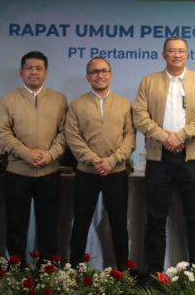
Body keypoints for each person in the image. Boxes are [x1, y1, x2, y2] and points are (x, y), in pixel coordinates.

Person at [133, 37, 195, 274]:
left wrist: (181, 136)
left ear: (187, 55)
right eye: (172, 51)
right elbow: (140, 116)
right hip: (158, 158)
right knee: (155, 217)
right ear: (164, 55)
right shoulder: (149, 81)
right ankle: (154, 271)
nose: (177, 55)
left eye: (181, 51)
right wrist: (164, 137)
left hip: (190, 157)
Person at [0, 51, 68, 261]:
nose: (34, 72)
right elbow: (0, 133)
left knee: (48, 224)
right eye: (29, 68)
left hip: (49, 172)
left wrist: (51, 154)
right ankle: (16, 269)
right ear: (21, 71)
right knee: (16, 225)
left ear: (46, 72)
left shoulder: (59, 99)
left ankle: (47, 269)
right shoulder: (8, 100)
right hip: (18, 173)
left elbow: (65, 132)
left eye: (38, 68)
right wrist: (26, 153)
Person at [66, 57, 135, 268]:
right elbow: (73, 137)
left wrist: (112, 161)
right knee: (81, 221)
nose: (100, 75)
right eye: (94, 72)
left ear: (111, 75)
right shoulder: (77, 104)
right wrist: (95, 160)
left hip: (116, 172)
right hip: (87, 173)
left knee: (118, 223)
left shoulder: (124, 104)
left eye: (104, 71)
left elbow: (130, 137)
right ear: (87, 77)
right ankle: (75, 269)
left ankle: (122, 269)